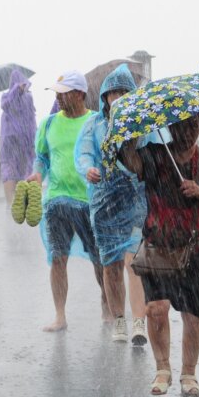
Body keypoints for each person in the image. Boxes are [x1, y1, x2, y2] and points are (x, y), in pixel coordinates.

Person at [119, 112, 199, 396]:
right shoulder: (155, 155)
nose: (188, 131)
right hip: (160, 243)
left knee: (194, 313)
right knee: (155, 308)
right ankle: (162, 369)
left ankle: (189, 373)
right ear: (170, 128)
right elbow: (131, 163)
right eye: (181, 125)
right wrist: (130, 135)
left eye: (194, 125)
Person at [27, 70, 107, 332]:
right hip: (56, 201)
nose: (59, 99)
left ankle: (108, 306)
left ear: (80, 94)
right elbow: (42, 158)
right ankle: (60, 315)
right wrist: (38, 174)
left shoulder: (96, 121)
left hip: (89, 201)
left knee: (100, 258)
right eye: (57, 94)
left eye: (64, 94)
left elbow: (108, 156)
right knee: (57, 257)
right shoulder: (49, 124)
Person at [75, 64, 148, 345]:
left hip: (134, 200)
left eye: (123, 92)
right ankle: (119, 319)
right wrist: (88, 170)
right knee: (111, 264)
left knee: (134, 261)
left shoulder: (142, 125)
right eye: (113, 92)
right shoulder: (94, 125)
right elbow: (83, 154)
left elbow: (154, 155)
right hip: (104, 202)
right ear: (105, 96)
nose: (117, 97)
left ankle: (138, 321)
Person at [0, 69, 37, 204]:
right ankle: (11, 207)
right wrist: (16, 90)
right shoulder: (7, 97)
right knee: (10, 172)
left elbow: (31, 121)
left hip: (24, 145)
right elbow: (6, 105)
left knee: (24, 174)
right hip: (12, 144)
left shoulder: (27, 98)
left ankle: (21, 206)